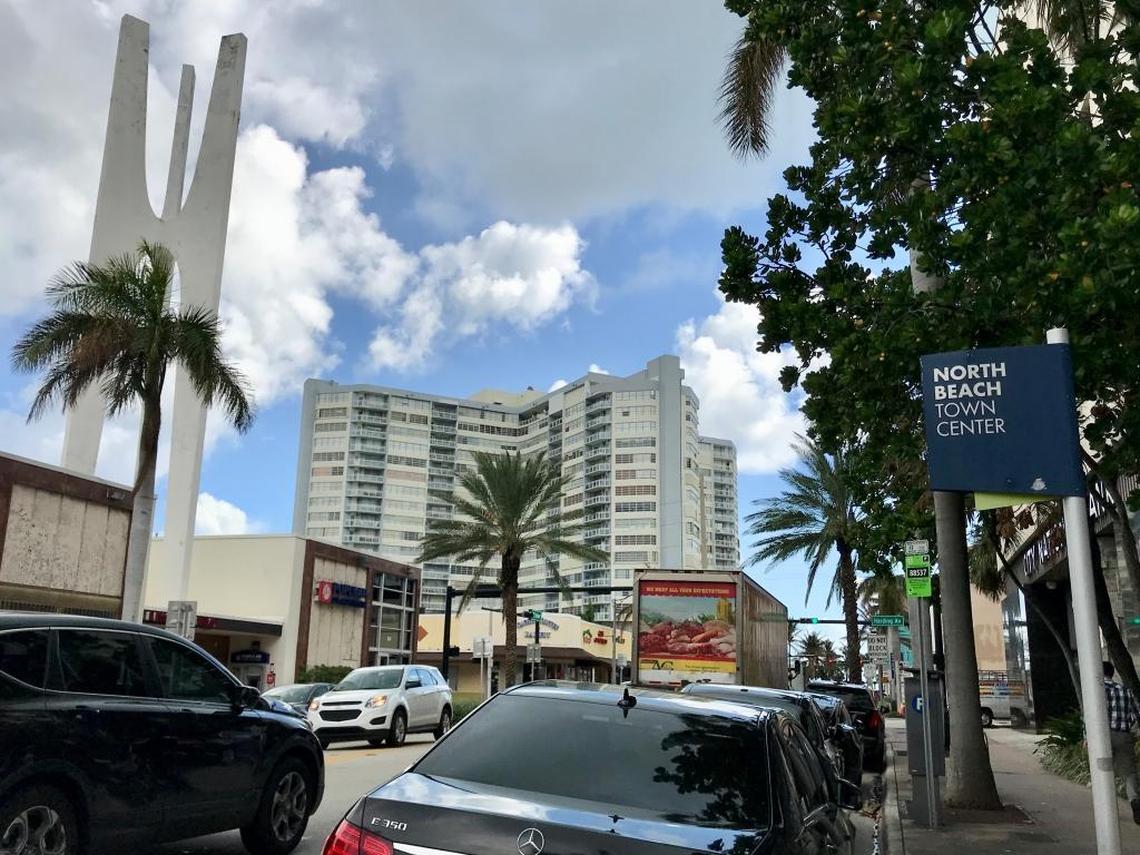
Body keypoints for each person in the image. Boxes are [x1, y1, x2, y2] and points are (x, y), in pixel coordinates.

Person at [1103, 661, 1140, 824]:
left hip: (1102, 737)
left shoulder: (1098, 690)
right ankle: (1135, 801)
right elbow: (1136, 715)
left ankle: (1107, 808)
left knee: (1104, 770)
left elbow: (1091, 716)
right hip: (1124, 735)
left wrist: (1086, 737)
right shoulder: (1125, 690)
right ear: (1112, 673)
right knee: (1129, 773)